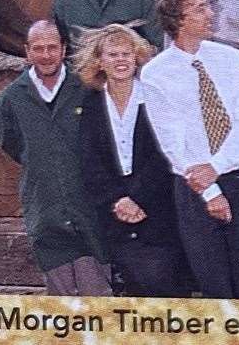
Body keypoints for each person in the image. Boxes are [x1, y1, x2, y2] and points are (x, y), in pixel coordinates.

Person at [141, 0, 239, 299]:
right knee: (213, 281)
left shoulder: (234, 60)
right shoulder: (156, 73)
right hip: (193, 187)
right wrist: (209, 190)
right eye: (200, 8)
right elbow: (172, 141)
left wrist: (216, 167)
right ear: (178, 20)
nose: (210, 13)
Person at [0, 21, 112, 296]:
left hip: (88, 208)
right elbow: (10, 144)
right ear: (27, 52)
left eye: (52, 48)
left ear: (63, 50)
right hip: (44, 207)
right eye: (38, 49)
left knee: (97, 294)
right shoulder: (10, 99)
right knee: (60, 299)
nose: (46, 55)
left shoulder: (87, 90)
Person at [75, 25, 186, 298]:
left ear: (137, 58)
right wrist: (118, 200)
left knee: (164, 285)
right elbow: (90, 160)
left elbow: (164, 153)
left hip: (157, 206)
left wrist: (138, 198)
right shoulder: (89, 103)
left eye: (127, 53)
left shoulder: (156, 95)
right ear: (99, 61)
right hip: (115, 212)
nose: (121, 60)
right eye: (112, 54)